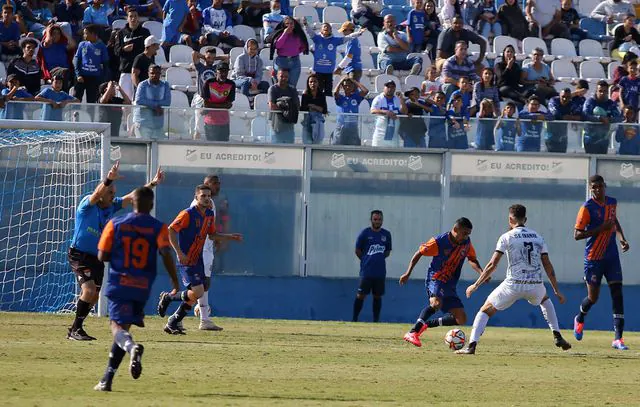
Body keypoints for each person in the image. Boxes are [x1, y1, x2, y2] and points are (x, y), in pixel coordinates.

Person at [93, 186, 180, 391]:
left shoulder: (116, 223)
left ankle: (133, 348)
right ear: (151, 205)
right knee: (124, 329)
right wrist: (175, 281)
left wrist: (118, 253)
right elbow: (166, 253)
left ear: (133, 203)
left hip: (120, 283)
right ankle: (107, 379)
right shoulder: (158, 227)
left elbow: (101, 256)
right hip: (142, 287)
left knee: (117, 328)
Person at [66, 162, 164, 341]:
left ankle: (75, 328)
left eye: (113, 192)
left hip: (97, 257)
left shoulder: (111, 206)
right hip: (79, 254)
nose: (113, 195)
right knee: (88, 291)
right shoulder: (87, 206)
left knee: (94, 296)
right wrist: (109, 179)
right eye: (110, 192)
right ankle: (75, 329)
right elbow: (96, 193)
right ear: (102, 193)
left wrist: (153, 183)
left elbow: (131, 197)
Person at [456, 204, 572, 355]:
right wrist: (556, 290)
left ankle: (471, 346)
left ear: (510, 219)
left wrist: (476, 285)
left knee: (485, 310)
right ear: (525, 219)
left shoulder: (507, 236)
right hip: (535, 284)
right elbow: (547, 265)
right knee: (545, 300)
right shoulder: (538, 237)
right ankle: (557, 335)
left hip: (513, 284)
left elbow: (492, 264)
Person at [157, 184, 242, 334]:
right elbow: (170, 230)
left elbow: (211, 235)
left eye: (209, 196)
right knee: (198, 291)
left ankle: (173, 322)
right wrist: (179, 252)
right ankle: (168, 298)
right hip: (186, 259)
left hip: (198, 259)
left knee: (195, 295)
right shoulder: (187, 214)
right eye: (203, 196)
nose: (207, 198)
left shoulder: (209, 214)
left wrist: (229, 237)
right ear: (196, 197)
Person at [400, 217, 483, 348]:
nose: (466, 236)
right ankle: (413, 332)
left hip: (450, 284)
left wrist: (481, 272)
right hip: (436, 278)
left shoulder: (466, 243)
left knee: (461, 318)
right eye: (464, 233)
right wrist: (408, 273)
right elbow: (419, 253)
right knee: (436, 303)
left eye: (468, 234)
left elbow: (472, 259)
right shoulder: (439, 242)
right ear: (455, 230)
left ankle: (425, 324)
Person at [573, 175, 630, 350]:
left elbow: (614, 221)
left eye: (600, 186)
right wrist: (600, 229)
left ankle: (618, 339)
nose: (597, 190)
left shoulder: (612, 202)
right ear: (591, 189)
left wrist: (622, 239)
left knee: (617, 294)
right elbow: (577, 234)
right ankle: (580, 318)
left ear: (605, 186)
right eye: (594, 187)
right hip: (593, 258)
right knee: (593, 298)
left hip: (611, 256)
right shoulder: (587, 208)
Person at [192, 174, 229, 330]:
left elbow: (209, 227)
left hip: (206, 248)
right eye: (214, 183)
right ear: (205, 184)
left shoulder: (211, 203)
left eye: (218, 183)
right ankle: (204, 318)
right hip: (199, 249)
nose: (217, 186)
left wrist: (217, 239)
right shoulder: (197, 205)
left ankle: (200, 310)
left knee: (202, 284)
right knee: (202, 284)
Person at [304, 21, 365, 97]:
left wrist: (339, 68)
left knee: (332, 92)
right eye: (324, 27)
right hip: (319, 71)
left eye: (343, 31)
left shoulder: (343, 41)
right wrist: (306, 25)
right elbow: (311, 33)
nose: (342, 33)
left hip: (336, 71)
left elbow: (349, 52)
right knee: (318, 91)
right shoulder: (317, 39)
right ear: (321, 30)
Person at [353, 210, 391, 323]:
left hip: (380, 272)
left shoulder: (386, 234)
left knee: (377, 296)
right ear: (371, 220)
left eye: (379, 219)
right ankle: (354, 319)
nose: (377, 221)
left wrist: (377, 259)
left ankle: (376, 320)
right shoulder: (365, 233)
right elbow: (358, 250)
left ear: (382, 220)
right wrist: (366, 260)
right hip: (366, 272)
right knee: (361, 295)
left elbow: (387, 252)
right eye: (375, 219)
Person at [267, 16, 308, 89]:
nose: (289, 25)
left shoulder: (298, 35)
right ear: (284, 25)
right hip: (281, 61)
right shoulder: (279, 33)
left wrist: (295, 52)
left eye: (291, 23)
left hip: (295, 61)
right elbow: (277, 45)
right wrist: (285, 34)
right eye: (287, 23)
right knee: (280, 85)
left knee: (292, 86)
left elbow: (303, 46)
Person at [74, 24, 110, 104]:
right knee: (76, 99)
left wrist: (103, 80)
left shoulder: (102, 46)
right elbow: (76, 60)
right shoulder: (82, 44)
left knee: (91, 102)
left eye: (86, 33)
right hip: (81, 77)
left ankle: (91, 116)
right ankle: (75, 116)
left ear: (93, 34)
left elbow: (105, 65)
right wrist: (78, 74)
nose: (84, 35)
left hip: (94, 78)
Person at [133, 64, 171, 139]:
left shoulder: (165, 85)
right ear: (148, 73)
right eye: (152, 73)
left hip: (158, 124)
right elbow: (139, 100)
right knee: (143, 149)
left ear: (160, 74)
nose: (154, 75)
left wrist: (153, 105)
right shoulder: (142, 85)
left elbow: (167, 102)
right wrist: (155, 106)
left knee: (159, 149)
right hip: (143, 124)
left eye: (157, 73)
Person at [583, 81, 621, 154]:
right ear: (596, 91)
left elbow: (619, 117)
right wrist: (599, 118)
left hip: (604, 138)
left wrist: (609, 119)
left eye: (604, 91)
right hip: (590, 138)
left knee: (601, 161)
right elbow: (585, 115)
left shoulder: (610, 103)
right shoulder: (590, 102)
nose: (602, 93)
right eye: (600, 91)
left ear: (607, 92)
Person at [201, 61, 236, 142]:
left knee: (224, 148)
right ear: (216, 72)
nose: (223, 74)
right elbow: (206, 104)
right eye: (221, 71)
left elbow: (229, 105)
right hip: (210, 122)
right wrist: (222, 106)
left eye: (226, 71)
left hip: (224, 122)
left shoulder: (231, 84)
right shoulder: (208, 83)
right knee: (211, 147)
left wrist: (212, 105)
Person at [114, 8, 151, 80]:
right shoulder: (121, 33)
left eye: (135, 16)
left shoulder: (145, 32)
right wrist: (124, 49)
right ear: (127, 18)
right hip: (126, 70)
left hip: (142, 70)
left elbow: (150, 49)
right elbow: (116, 51)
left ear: (138, 18)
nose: (133, 18)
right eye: (131, 16)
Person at [38, 24, 75, 93]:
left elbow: (73, 45)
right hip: (52, 71)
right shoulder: (45, 45)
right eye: (54, 33)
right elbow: (48, 41)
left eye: (58, 34)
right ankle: (64, 93)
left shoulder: (62, 45)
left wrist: (63, 32)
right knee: (65, 71)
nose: (56, 35)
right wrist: (48, 30)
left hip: (66, 72)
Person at [370, 80, 407, 147]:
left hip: (394, 136)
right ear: (384, 88)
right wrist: (386, 112)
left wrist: (402, 99)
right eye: (388, 87)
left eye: (392, 87)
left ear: (395, 89)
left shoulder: (398, 99)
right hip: (380, 135)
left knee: (394, 156)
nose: (390, 89)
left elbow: (404, 112)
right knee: (377, 156)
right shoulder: (378, 98)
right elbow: (372, 110)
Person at [333, 76, 368, 145]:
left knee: (354, 149)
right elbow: (335, 93)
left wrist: (354, 81)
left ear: (353, 87)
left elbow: (365, 91)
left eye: (349, 85)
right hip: (341, 127)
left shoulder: (356, 97)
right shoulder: (341, 98)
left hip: (353, 128)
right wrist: (341, 81)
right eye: (345, 86)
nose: (348, 87)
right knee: (338, 148)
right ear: (343, 87)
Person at [268, 68, 299, 143]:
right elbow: (272, 106)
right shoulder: (273, 89)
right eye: (281, 76)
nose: (284, 78)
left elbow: (297, 105)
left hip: (289, 128)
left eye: (286, 77)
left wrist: (282, 108)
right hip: (276, 127)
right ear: (277, 76)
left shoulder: (292, 90)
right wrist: (287, 109)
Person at [546, 88, 582, 153]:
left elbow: (579, 116)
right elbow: (556, 114)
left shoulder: (572, 104)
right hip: (551, 136)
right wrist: (571, 117)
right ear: (559, 95)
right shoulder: (553, 100)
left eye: (568, 97)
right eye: (563, 97)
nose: (565, 99)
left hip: (563, 136)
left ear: (570, 97)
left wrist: (568, 117)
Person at [300, 74, 327, 144]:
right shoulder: (305, 94)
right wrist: (318, 108)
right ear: (308, 83)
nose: (313, 84)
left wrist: (312, 106)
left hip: (318, 122)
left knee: (317, 143)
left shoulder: (321, 95)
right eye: (311, 82)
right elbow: (303, 108)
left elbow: (324, 110)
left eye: (315, 81)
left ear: (318, 83)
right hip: (307, 121)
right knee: (307, 142)